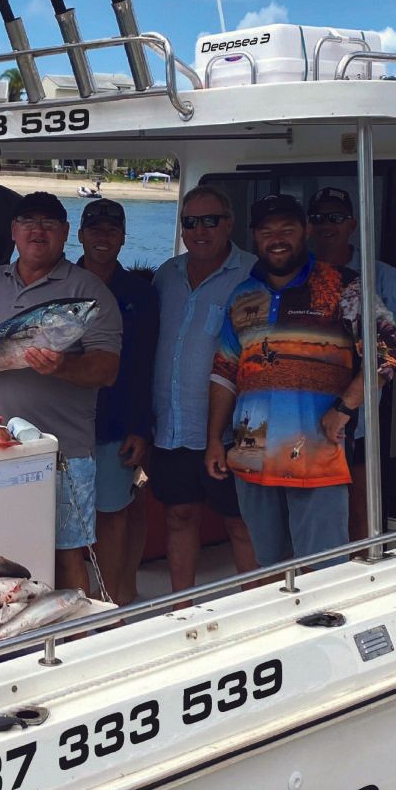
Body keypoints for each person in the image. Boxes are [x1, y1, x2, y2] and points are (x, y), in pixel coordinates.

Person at [205, 194, 396, 567]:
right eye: (267, 231)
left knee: (324, 571)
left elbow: (390, 348)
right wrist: (214, 439)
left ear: (306, 231)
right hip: (250, 454)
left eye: (287, 229)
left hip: (318, 456)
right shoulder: (242, 295)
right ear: (254, 237)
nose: (276, 238)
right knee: (269, 566)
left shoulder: (345, 286)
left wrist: (344, 409)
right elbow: (224, 372)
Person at [0, 192, 122, 592]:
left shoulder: (87, 293)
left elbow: (107, 369)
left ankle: (76, 636)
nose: (37, 231)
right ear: (14, 231)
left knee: (67, 551)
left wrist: (64, 366)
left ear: (65, 233)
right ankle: (7, 633)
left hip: (63, 452)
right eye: (28, 222)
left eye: (49, 224)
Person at [148, 183, 260, 591]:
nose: (199, 230)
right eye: (189, 222)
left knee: (240, 522)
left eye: (210, 220)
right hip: (172, 426)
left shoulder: (253, 273)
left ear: (229, 223)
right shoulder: (166, 275)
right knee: (179, 516)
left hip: (236, 431)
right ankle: (182, 608)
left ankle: (254, 611)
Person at [305, 185, 396, 541]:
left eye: (335, 218)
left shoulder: (379, 274)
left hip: (358, 408)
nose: (327, 225)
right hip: (302, 404)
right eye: (319, 218)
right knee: (308, 500)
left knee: (357, 494)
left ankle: (361, 565)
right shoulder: (297, 271)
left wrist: (359, 354)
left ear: (352, 224)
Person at [75, 197, 158, 605]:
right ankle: (73, 602)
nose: (102, 236)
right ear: (80, 235)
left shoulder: (140, 294)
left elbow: (147, 367)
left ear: (123, 237)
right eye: (94, 229)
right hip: (64, 425)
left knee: (114, 515)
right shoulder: (59, 283)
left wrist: (141, 428)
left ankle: (110, 601)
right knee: (65, 523)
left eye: (111, 229)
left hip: (116, 425)